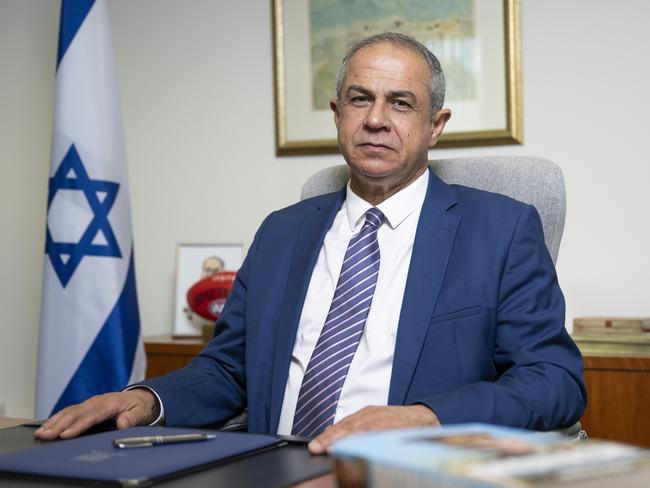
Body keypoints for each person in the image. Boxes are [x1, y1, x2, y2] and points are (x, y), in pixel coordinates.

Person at [35, 33, 586, 454]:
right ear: (337, 114)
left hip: (407, 471)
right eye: (359, 99)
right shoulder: (282, 231)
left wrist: (426, 415)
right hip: (272, 466)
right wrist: (146, 400)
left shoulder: (501, 229)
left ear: (435, 124)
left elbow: (553, 381)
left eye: (400, 103)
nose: (375, 119)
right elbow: (229, 371)